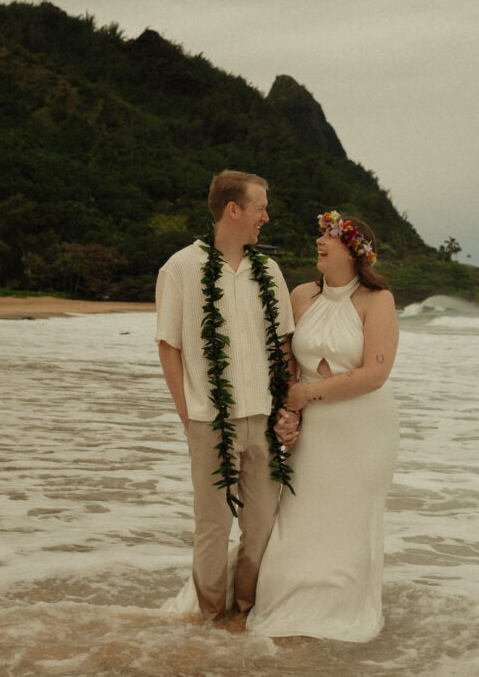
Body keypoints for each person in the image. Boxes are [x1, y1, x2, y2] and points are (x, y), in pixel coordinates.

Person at [246, 211, 400, 642]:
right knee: (299, 514)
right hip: (313, 427)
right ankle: (285, 600)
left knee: (348, 518)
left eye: (329, 236)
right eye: (320, 234)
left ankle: (341, 608)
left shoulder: (378, 301)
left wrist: (305, 397)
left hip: (363, 429)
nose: (319, 241)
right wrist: (288, 411)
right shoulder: (300, 296)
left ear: (353, 251)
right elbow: (288, 367)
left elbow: (375, 375)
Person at [155, 170, 296, 621]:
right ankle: (211, 620)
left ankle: (246, 612)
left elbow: (284, 346)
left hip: (264, 419)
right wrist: (188, 415)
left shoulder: (269, 271)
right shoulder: (180, 267)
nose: (266, 217)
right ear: (233, 209)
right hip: (209, 420)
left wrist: (287, 408)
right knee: (213, 527)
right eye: (260, 208)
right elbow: (169, 346)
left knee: (261, 526)